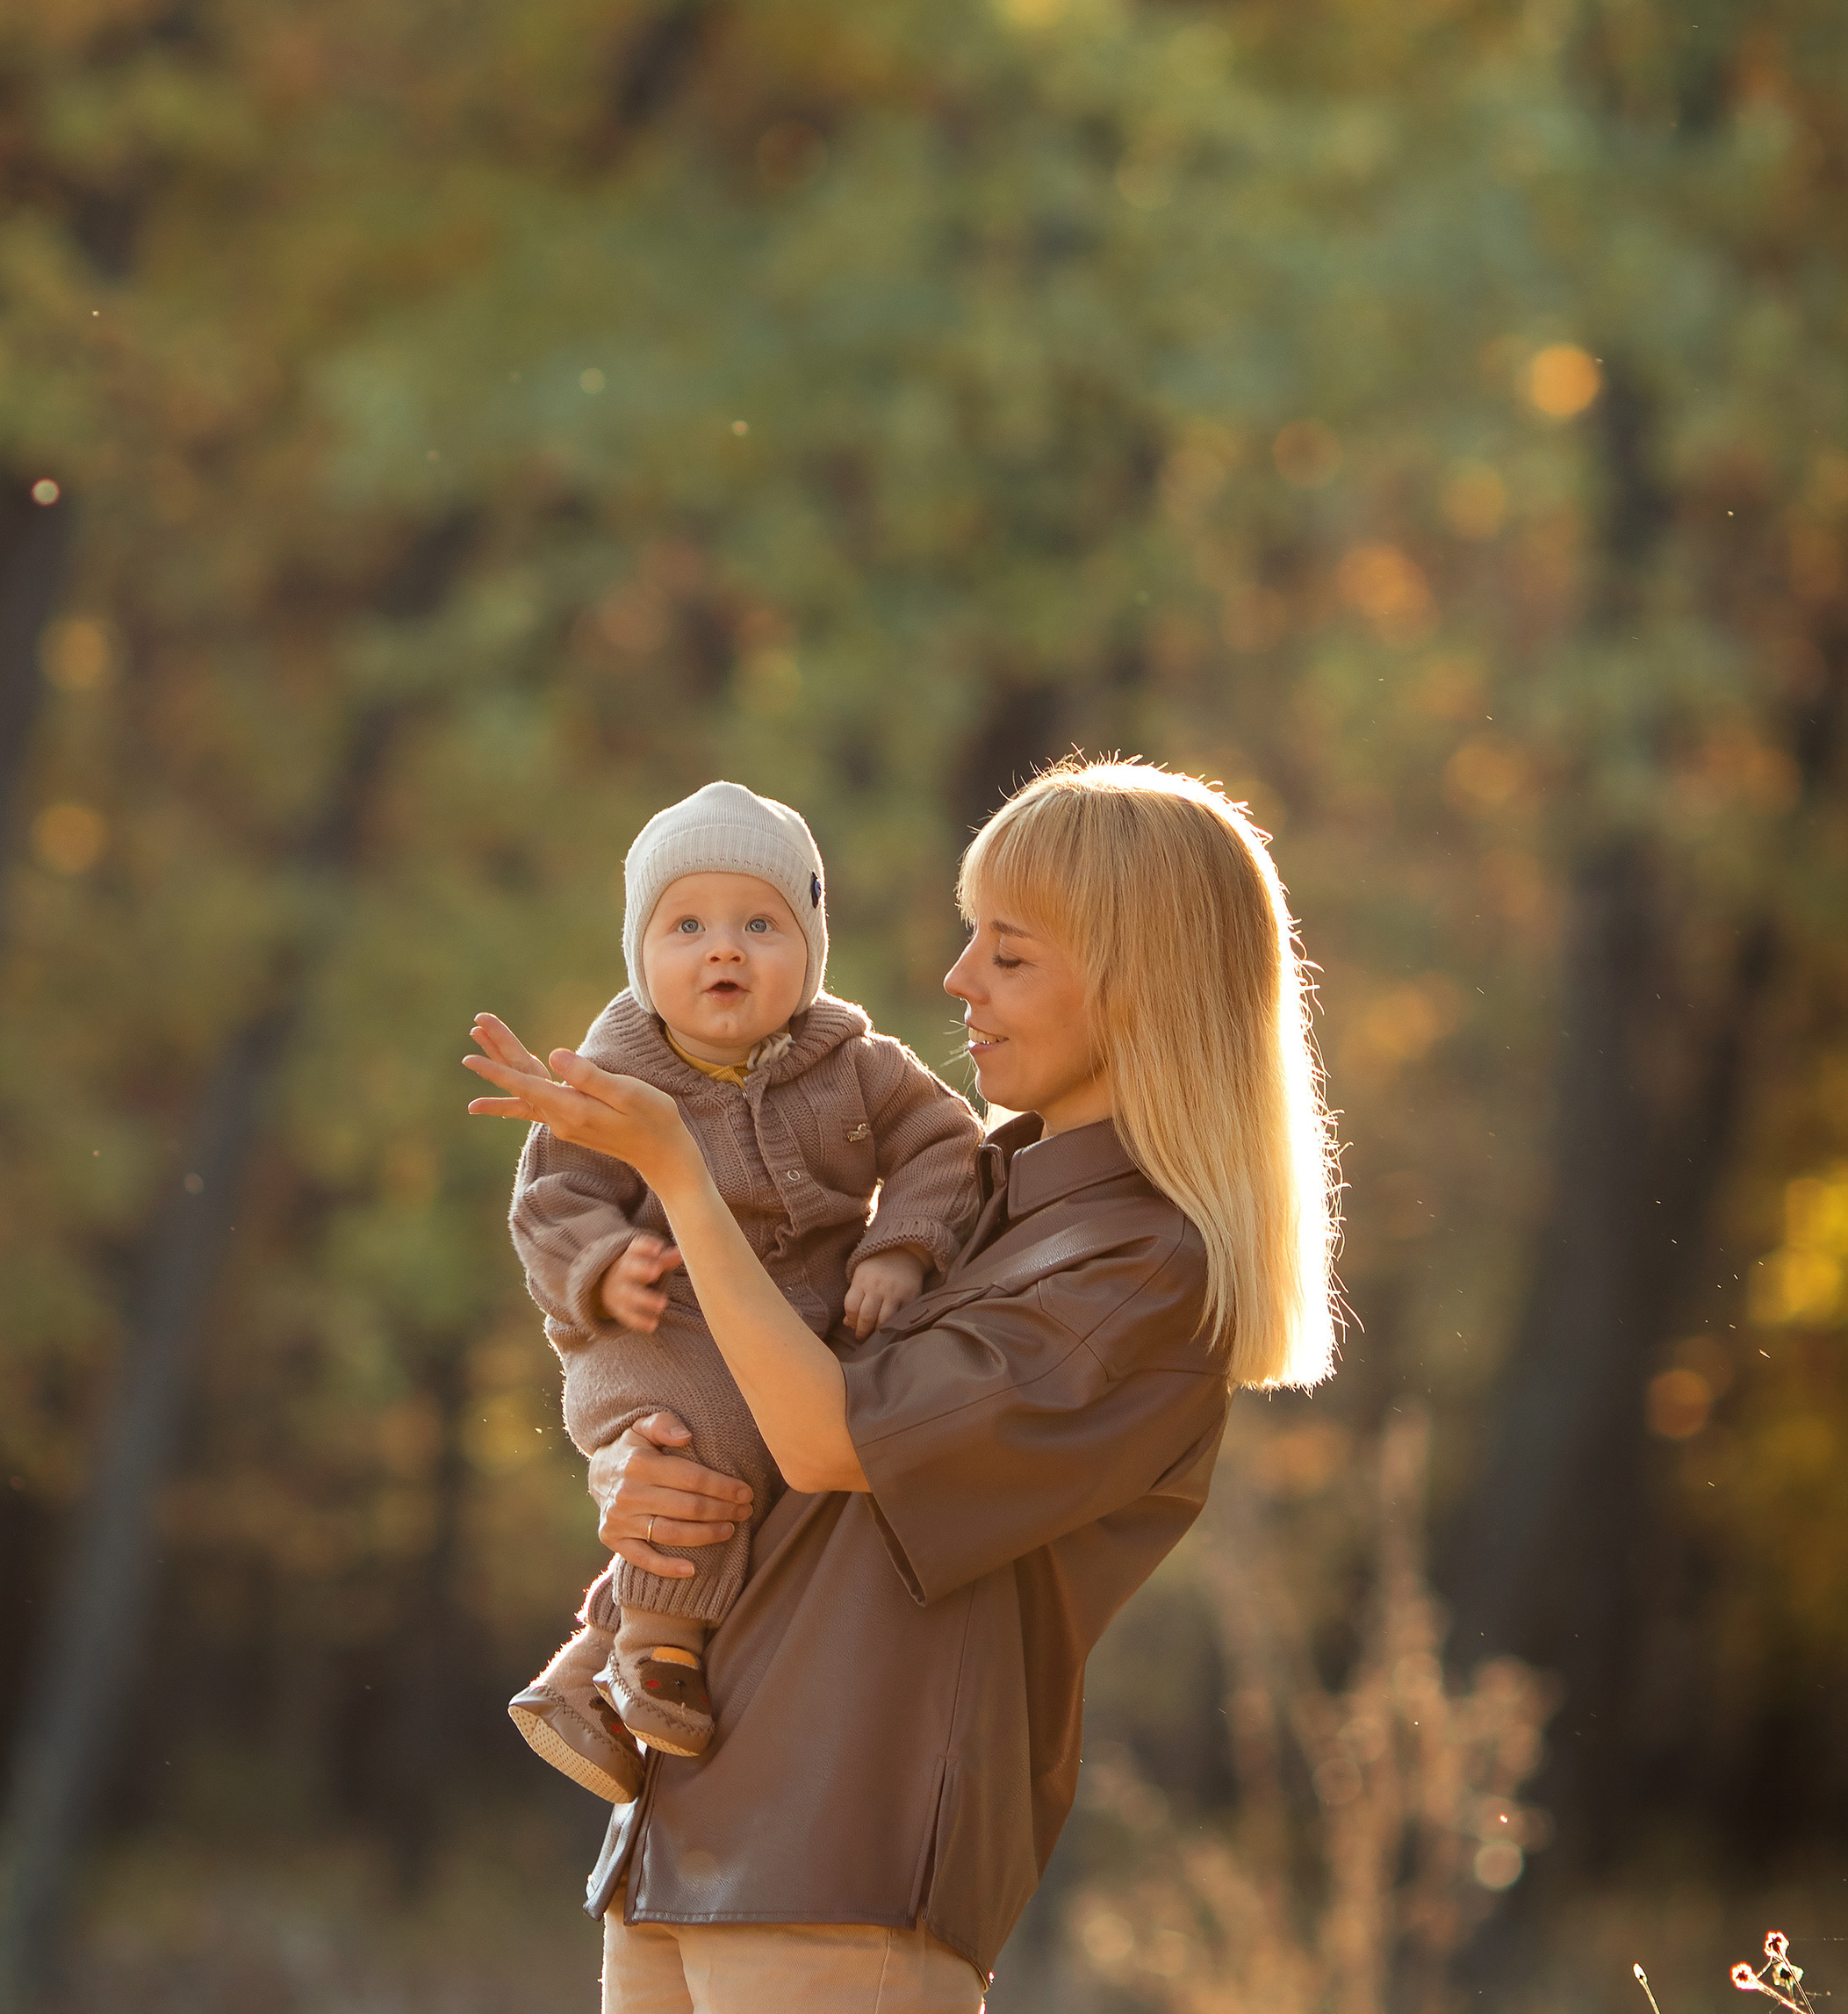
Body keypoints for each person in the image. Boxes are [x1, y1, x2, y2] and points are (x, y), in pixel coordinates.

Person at [467, 756, 1339, 2013]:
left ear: (1139, 983)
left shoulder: (1142, 1272)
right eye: (968, 937)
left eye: (1011, 953)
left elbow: (832, 1442)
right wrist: (640, 1467)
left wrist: (677, 1174)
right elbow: (761, 1414)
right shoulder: (966, 1198)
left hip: (842, 1864)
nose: (956, 980)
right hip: (679, 1837)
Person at [504, 780, 982, 1796]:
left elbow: (948, 1143)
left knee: (785, 1449)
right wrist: (604, 1266)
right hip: (656, 1330)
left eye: (760, 923)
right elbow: (550, 1200)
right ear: (640, 958)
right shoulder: (611, 1076)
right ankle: (658, 1657)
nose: (724, 948)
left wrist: (900, 1246)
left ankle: (585, 1678)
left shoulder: (855, 1064)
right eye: (686, 925)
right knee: (700, 1439)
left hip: (795, 1328)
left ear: (809, 952)